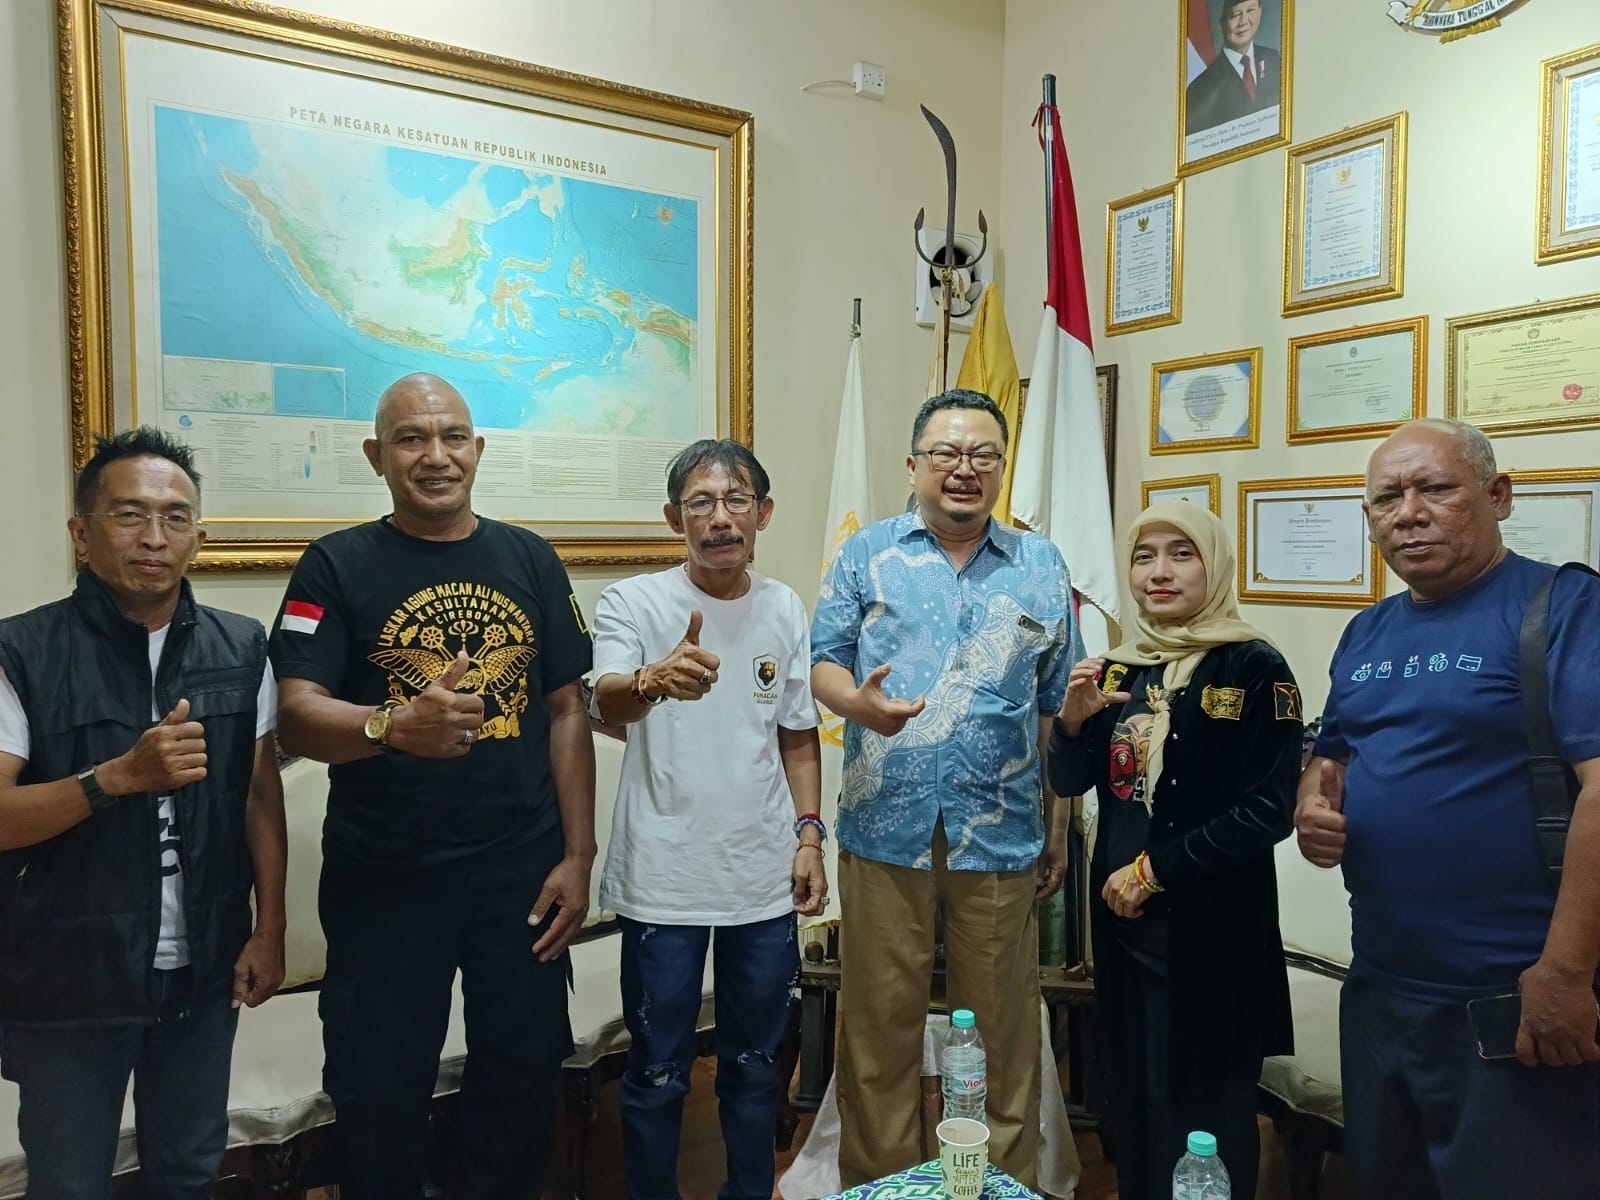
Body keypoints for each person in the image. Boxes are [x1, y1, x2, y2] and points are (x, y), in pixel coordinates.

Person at [269, 373, 596, 1200]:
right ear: (376, 455)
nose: (436, 455)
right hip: (386, 878)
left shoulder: (530, 558)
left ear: (478, 450)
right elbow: (296, 716)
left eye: (453, 437)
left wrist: (579, 856)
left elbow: (566, 709)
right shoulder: (334, 565)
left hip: (519, 874)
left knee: (521, 1077)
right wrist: (391, 725)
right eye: (411, 438)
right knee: (378, 1089)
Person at [1297, 418, 1600, 1197]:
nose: (1409, 513)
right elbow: (1333, 752)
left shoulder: (1563, 608)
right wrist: (1312, 806)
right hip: (1381, 989)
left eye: (1434, 488)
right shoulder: (1368, 631)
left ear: (1498, 496)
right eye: (1386, 498)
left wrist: (1566, 974)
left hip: (1512, 995)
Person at [0, 427, 286, 1199]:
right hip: (67, 976)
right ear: (81, 534)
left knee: (190, 1172)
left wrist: (269, 927)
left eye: (174, 517)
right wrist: (116, 778)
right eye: (129, 515)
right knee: (69, 1182)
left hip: (201, 972)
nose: (153, 538)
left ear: (198, 538)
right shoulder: (21, 651)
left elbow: (259, 796)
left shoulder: (241, 646)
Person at [810, 388, 1077, 1188]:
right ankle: (882, 1186)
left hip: (998, 831)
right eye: (947, 453)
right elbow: (823, 661)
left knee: (1001, 1037)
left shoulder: (1041, 564)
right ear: (913, 465)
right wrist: (856, 703)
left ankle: (996, 1187)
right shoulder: (866, 554)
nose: (965, 469)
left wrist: (1056, 828)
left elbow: (1055, 707)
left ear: (1001, 467)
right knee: (878, 1032)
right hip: (882, 825)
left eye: (983, 455)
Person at [589, 438, 827, 1200]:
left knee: (756, 1068)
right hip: (663, 879)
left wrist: (811, 835)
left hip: (761, 876)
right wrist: (653, 680)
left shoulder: (784, 606)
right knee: (658, 1073)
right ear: (674, 518)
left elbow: (797, 734)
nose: (720, 518)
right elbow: (604, 698)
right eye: (701, 503)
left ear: (763, 513)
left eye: (735, 501)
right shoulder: (633, 602)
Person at [1047, 502, 1297, 1199]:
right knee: (1135, 1093)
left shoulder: (1255, 666)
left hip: (1212, 929)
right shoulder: (1120, 669)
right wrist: (1071, 726)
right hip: (1125, 928)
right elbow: (1072, 783)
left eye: (1181, 554)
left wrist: (1156, 871)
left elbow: (1268, 811)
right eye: (1144, 555)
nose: (1159, 572)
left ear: (1214, 565)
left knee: (1205, 1102)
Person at [1185, 0, 1281, 136]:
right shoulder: (1199, 88)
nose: (1243, 22)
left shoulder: (1273, 59)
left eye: (1250, 10)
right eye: (1235, 15)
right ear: (1222, 22)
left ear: (1260, 12)